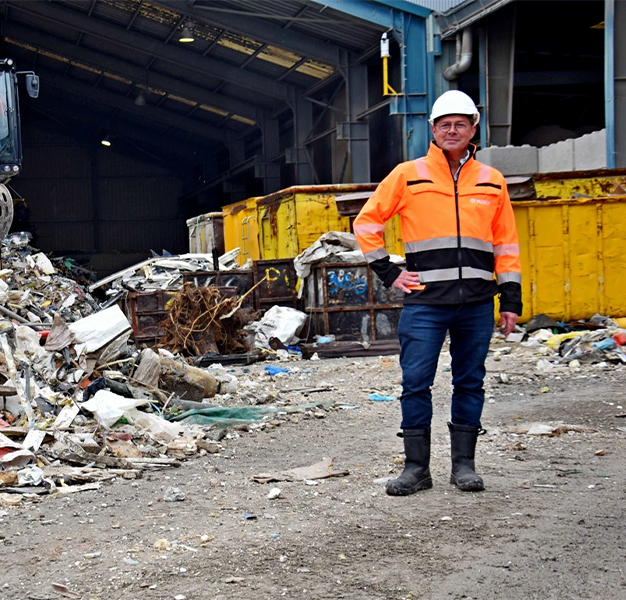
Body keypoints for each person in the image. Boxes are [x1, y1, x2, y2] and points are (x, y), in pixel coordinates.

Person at [354, 90, 522, 495]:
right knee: (415, 383)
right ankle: (416, 469)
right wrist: (388, 271)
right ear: (432, 129)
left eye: (460, 123)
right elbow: (366, 222)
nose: (452, 130)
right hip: (426, 303)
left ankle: (464, 466)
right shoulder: (407, 175)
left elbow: (507, 245)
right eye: (444, 124)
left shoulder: (492, 181)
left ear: (473, 128)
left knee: (470, 382)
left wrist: (511, 300)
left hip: (478, 304)